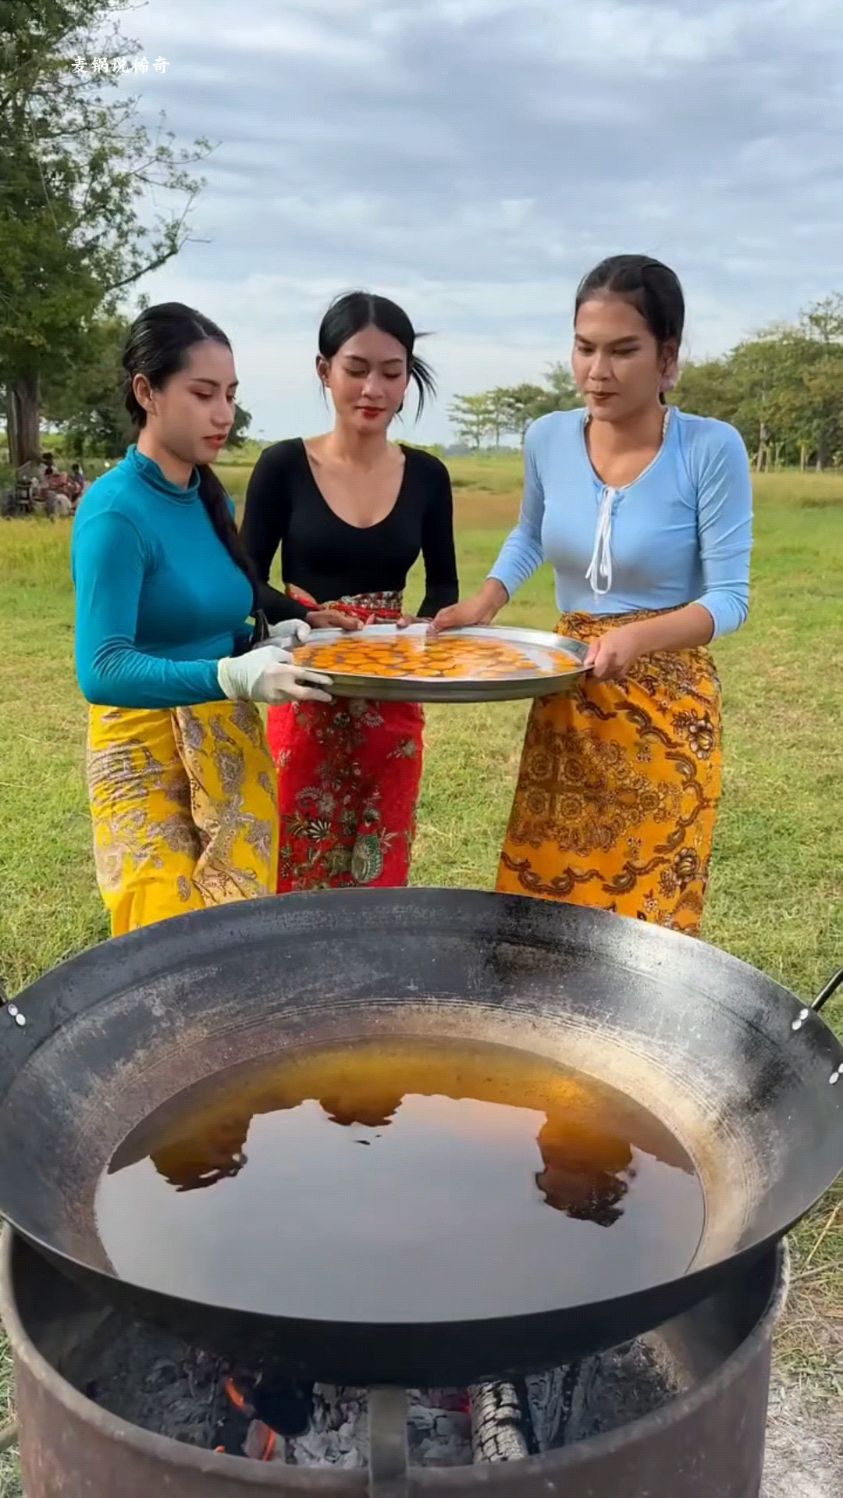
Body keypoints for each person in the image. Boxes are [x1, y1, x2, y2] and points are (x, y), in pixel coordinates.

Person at [434, 255, 753, 935]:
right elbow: (529, 536)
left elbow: (728, 598)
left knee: (646, 917)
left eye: (622, 351)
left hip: (667, 709)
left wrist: (637, 637)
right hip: (570, 695)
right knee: (547, 897)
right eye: (584, 348)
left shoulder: (708, 449)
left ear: (666, 357)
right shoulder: (547, 437)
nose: (596, 372)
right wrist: (483, 604)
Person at [71, 302, 332, 937]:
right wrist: (228, 674)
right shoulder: (115, 512)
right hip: (143, 752)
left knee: (238, 937)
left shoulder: (210, 497)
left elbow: (206, 625)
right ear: (147, 392)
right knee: (163, 947)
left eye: (231, 395)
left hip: (230, 743)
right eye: (203, 393)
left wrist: (263, 639)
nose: (224, 414)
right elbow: (101, 669)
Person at [240, 290, 459, 892]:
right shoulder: (282, 465)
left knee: (380, 853)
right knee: (296, 849)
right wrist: (305, 615)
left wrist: (423, 627)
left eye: (392, 373)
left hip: (390, 691)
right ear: (324, 371)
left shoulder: (428, 476)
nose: (374, 389)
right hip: (304, 680)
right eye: (356, 370)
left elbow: (443, 586)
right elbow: (244, 578)